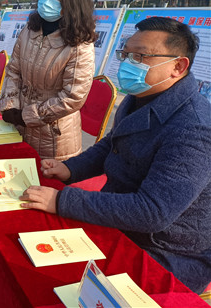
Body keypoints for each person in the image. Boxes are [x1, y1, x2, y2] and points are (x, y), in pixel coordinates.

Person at [21, 17, 211, 294]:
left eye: (140, 57)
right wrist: (71, 169)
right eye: (126, 54)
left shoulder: (194, 128)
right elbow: (112, 144)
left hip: (165, 251)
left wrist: (63, 200)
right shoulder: (140, 97)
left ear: (178, 67)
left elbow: (152, 212)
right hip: (119, 219)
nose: (128, 64)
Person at [0, 0, 96, 160]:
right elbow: (14, 70)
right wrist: (11, 105)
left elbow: (72, 97)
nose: (48, 0)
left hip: (54, 138)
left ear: (73, 1)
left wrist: (27, 116)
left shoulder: (79, 45)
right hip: (19, 127)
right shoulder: (30, 30)